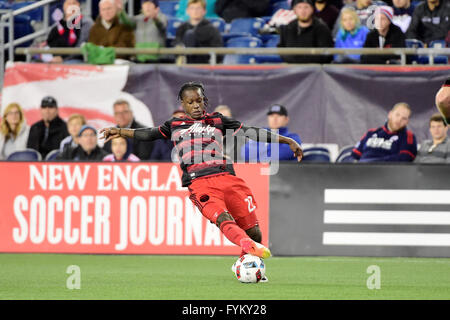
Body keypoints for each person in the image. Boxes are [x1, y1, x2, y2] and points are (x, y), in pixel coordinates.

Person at [100, 82, 303, 281]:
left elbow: (252, 131)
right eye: (190, 102)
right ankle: (246, 246)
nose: (195, 105)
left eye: (199, 101)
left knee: (255, 233)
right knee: (223, 219)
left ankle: (245, 263)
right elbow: (148, 134)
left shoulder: (218, 120)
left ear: (205, 101)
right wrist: (120, 131)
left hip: (227, 177)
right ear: (183, 104)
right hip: (200, 183)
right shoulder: (174, 124)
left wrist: (288, 140)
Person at [352, 102, 417, 162]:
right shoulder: (371, 133)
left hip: (386, 172)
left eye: (404, 118)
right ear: (390, 114)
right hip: (360, 171)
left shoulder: (408, 137)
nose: (399, 120)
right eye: (397, 115)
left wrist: (372, 163)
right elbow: (354, 155)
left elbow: (404, 159)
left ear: (407, 122)